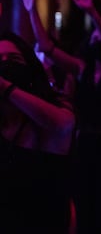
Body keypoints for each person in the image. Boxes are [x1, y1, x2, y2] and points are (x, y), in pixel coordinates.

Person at [21, 0, 101, 234]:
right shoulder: (81, 68)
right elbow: (46, 47)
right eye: (94, 35)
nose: (97, 37)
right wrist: (31, 11)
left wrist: (94, 14)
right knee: (83, 208)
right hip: (84, 145)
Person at [0, 31, 76, 233]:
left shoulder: (55, 108)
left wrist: (6, 87)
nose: (6, 64)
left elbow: (62, 126)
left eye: (13, 59)